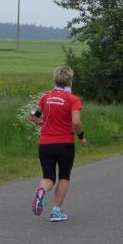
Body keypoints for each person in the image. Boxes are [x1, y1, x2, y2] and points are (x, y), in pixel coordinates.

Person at [28, 66, 88, 222]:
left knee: (48, 177)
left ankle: (42, 190)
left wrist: (41, 123)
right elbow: (76, 122)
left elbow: (32, 116)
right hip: (64, 144)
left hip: (45, 144)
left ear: (55, 80)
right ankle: (56, 211)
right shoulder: (73, 99)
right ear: (70, 81)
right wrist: (81, 136)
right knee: (64, 176)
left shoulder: (45, 97)